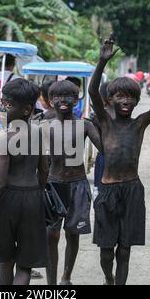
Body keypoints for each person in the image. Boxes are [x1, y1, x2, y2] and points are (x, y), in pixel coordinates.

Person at [89, 35, 150, 285]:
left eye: (131, 97)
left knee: (125, 249)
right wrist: (102, 62)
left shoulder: (140, 124)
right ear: (110, 101)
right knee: (106, 251)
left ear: (137, 101)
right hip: (108, 191)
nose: (125, 100)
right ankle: (109, 278)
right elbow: (92, 91)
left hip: (132, 190)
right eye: (120, 97)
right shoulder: (105, 122)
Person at [0, 78, 49, 285]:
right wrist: (36, 194)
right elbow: (43, 171)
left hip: (7, 202)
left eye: (9, 104)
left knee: (6, 261)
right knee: (25, 266)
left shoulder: (5, 138)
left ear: (26, 110)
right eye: (3, 102)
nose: (3, 107)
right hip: (32, 198)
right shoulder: (40, 134)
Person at [45, 80, 102, 286]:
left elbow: (104, 148)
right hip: (52, 185)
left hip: (77, 184)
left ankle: (66, 277)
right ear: (50, 101)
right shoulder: (44, 126)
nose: (63, 100)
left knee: (73, 233)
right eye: (58, 96)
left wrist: (102, 123)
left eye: (69, 96)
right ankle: (51, 283)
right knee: (51, 234)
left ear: (77, 99)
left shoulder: (85, 125)